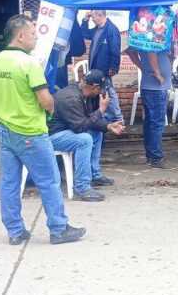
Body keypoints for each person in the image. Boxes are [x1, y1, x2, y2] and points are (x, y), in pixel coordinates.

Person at [0, 14, 84, 245]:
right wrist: (50, 110)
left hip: (4, 130)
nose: (35, 39)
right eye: (33, 34)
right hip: (30, 131)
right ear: (20, 36)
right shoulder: (28, 63)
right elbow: (45, 100)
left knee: (10, 182)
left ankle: (15, 231)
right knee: (49, 181)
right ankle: (59, 228)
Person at [48, 70, 126, 201]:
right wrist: (101, 110)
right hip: (52, 137)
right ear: (95, 88)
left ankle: (94, 174)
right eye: (102, 89)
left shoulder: (83, 94)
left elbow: (89, 119)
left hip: (67, 130)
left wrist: (108, 126)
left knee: (96, 133)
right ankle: (82, 188)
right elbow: (80, 127)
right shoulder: (71, 98)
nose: (102, 92)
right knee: (84, 139)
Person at [126, 45, 174, 170]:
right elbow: (151, 52)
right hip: (156, 88)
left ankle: (151, 156)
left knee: (150, 122)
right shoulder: (153, 38)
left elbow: (130, 51)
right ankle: (156, 158)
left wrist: (143, 67)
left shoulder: (143, 38)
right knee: (157, 123)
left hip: (149, 87)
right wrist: (158, 74)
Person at [81, 10, 123, 121]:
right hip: (96, 69)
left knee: (108, 92)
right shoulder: (97, 29)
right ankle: (106, 118)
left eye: (93, 16)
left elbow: (115, 49)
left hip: (104, 70)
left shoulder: (111, 29)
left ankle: (118, 119)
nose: (93, 19)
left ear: (101, 15)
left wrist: (114, 67)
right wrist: (85, 20)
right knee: (104, 92)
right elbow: (85, 34)